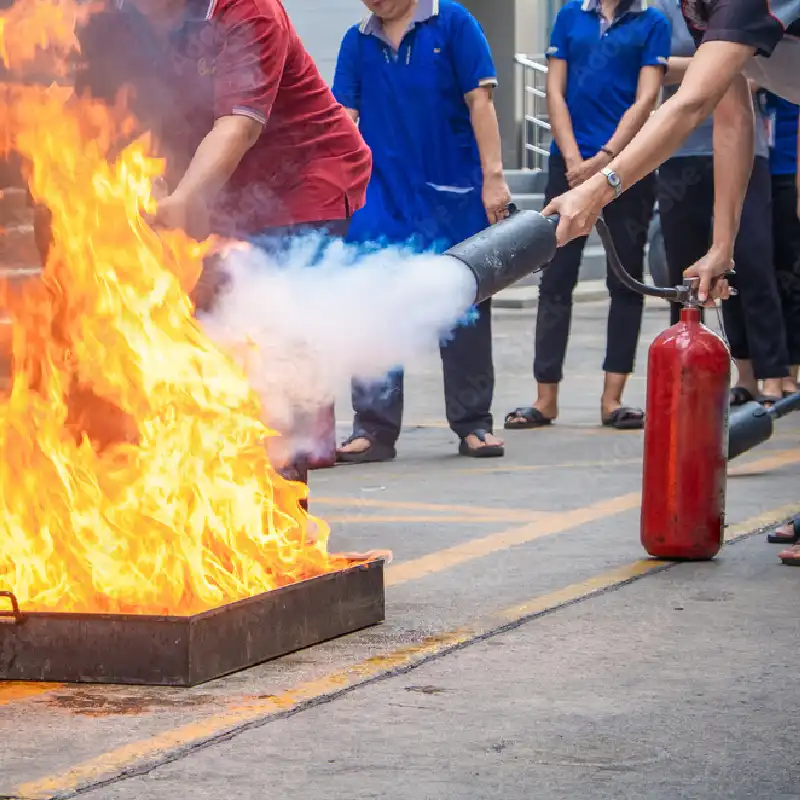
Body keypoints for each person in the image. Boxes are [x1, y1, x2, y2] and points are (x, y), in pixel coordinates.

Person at [40, 0, 373, 480]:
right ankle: (221, 490)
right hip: (229, 189)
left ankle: (283, 503)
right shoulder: (138, 17)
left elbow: (239, 125)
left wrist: (180, 205)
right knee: (207, 330)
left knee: (266, 337)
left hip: (306, 181)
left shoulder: (250, 10)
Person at [331, 0, 511, 462]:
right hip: (382, 197)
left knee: (463, 308)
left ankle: (472, 423)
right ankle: (373, 427)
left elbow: (480, 102)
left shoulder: (453, 23)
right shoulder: (357, 40)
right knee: (374, 306)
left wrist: (494, 178)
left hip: (452, 194)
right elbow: (343, 119)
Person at [543, 0, 800, 306]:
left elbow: (691, 103)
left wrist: (596, 191)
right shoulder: (695, 9)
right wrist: (721, 247)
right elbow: (732, 117)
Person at [504, 0, 670, 432]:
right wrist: (574, 158)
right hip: (568, 163)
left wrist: (606, 158)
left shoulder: (652, 22)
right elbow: (553, 91)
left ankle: (612, 399)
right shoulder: (568, 16)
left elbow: (646, 97)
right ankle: (546, 399)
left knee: (626, 280)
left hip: (628, 165)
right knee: (556, 277)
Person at [652, 0, 791, 406]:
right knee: (700, 272)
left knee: (755, 261)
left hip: (749, 153)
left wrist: (703, 68)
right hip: (684, 154)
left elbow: (745, 79)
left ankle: (772, 371)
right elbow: (649, 69)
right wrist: (714, 64)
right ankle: (707, 376)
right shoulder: (665, 11)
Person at [766, 91, 800, 396]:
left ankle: (791, 369)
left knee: (791, 273)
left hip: (790, 171)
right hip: (758, 168)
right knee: (765, 274)